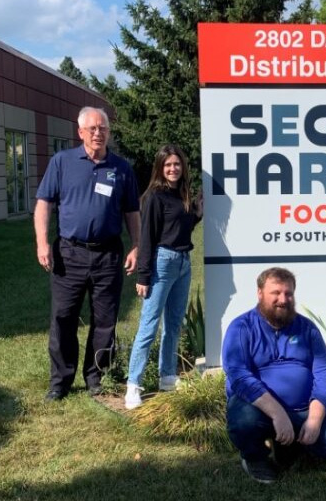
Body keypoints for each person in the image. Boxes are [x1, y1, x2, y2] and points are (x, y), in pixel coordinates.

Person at [35, 106, 140, 401]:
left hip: (108, 255)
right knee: (63, 317)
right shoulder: (62, 162)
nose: (98, 133)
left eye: (103, 128)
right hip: (69, 253)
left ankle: (97, 376)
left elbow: (132, 211)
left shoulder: (122, 168)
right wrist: (42, 243)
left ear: (108, 132)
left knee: (105, 319)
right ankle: (61, 381)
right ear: (80, 132)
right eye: (92, 128)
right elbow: (44, 203)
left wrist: (136, 245)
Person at [222, 267, 326, 484]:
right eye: (276, 293)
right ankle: (255, 458)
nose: (283, 299)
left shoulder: (307, 329)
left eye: (288, 293)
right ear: (260, 293)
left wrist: (315, 420)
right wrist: (278, 414)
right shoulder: (241, 327)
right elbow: (239, 376)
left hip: (303, 409)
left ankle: (287, 446)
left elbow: (323, 373)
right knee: (243, 423)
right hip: (257, 408)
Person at [124, 144, 203, 410]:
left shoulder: (181, 193)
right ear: (160, 167)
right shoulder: (154, 197)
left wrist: (197, 210)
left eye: (177, 164)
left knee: (174, 324)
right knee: (149, 324)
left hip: (183, 262)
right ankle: (133, 385)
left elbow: (183, 226)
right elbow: (147, 238)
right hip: (162, 263)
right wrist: (143, 276)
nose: (173, 168)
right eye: (168, 165)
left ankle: (167, 376)